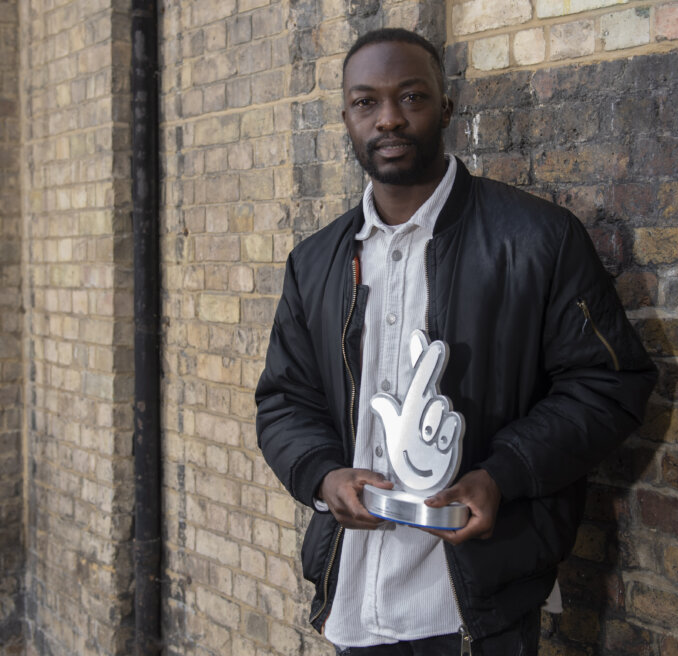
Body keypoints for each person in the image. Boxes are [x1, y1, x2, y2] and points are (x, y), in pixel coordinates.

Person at [255, 28, 657, 656]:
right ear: (346, 117)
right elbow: (284, 401)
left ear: (445, 108)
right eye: (366, 103)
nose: (388, 118)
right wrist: (323, 474)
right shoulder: (316, 263)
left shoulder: (537, 240)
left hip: (476, 601)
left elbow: (609, 383)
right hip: (354, 596)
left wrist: (502, 475)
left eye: (410, 97)